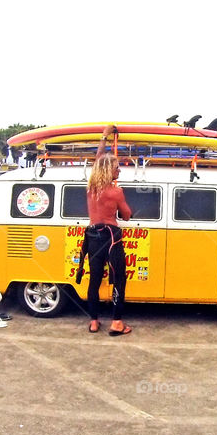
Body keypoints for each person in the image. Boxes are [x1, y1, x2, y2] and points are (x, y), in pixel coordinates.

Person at [82, 125, 133, 336]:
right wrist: (124, 210)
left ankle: (94, 322)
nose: (119, 170)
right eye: (116, 167)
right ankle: (116, 323)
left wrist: (104, 136)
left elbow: (98, 160)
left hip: (93, 237)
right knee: (119, 279)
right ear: (108, 170)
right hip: (111, 238)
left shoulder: (91, 187)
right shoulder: (116, 191)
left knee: (95, 280)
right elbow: (126, 215)